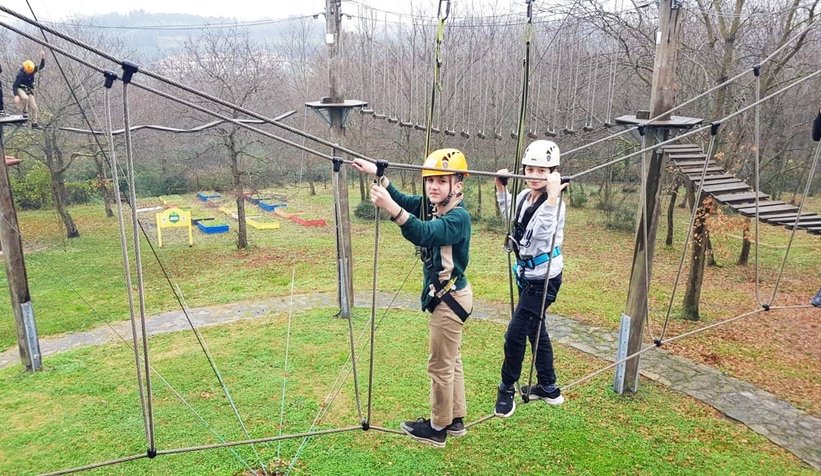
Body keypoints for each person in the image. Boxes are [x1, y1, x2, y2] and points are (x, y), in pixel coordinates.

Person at [352, 149, 472, 448]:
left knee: (440, 366)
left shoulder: (457, 218)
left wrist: (391, 209)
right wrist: (377, 174)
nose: (433, 187)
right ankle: (455, 419)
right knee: (451, 361)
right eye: (430, 181)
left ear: (457, 184)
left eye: (441, 181)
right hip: (450, 297)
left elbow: (423, 233)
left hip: (449, 299)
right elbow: (407, 201)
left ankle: (437, 427)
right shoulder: (434, 207)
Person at [493, 140, 568, 418]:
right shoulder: (525, 196)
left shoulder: (556, 205)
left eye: (541, 170)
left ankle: (506, 388)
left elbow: (543, 235)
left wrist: (551, 198)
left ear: (553, 172)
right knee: (537, 330)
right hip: (528, 276)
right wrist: (502, 188)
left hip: (544, 280)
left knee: (515, 333)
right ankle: (548, 386)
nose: (534, 175)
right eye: (529, 169)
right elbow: (513, 218)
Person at [12, 50, 45, 128]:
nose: (29, 73)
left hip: (28, 89)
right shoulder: (21, 75)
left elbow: (41, 66)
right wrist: (16, 95)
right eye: (28, 71)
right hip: (20, 88)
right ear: (25, 69)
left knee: (34, 107)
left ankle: (34, 123)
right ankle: (25, 112)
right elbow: (15, 86)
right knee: (25, 98)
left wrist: (43, 57)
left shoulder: (32, 70)